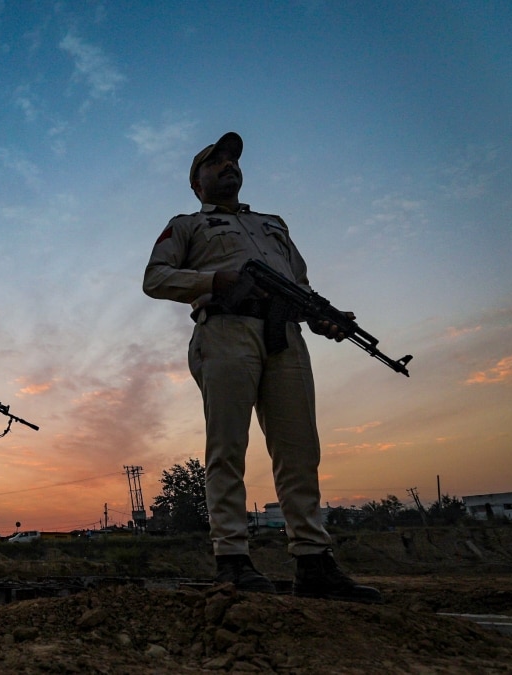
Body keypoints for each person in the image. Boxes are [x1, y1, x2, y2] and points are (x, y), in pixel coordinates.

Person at [142, 131, 382, 604]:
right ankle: (231, 558)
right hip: (225, 331)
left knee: (299, 451)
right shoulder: (187, 225)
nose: (228, 165)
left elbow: (301, 285)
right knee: (227, 447)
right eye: (215, 162)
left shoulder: (274, 225)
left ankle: (313, 560)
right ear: (197, 183)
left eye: (233, 160)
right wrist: (216, 279)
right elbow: (156, 278)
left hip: (284, 335)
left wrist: (324, 318)